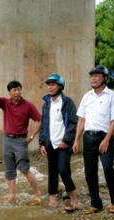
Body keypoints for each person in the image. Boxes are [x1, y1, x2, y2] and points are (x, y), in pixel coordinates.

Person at [73, 65, 114, 214]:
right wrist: (76, 140)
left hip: (104, 137)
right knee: (89, 172)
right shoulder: (87, 96)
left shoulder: (112, 96)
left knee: (108, 168)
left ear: (104, 78)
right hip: (88, 138)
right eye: (91, 76)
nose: (93, 78)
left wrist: (107, 139)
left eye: (97, 76)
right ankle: (96, 203)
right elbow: (82, 120)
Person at [0, 81, 42, 205]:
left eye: (19, 89)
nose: (17, 92)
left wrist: (31, 136)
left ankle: (37, 195)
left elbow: (39, 120)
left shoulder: (28, 105)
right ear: (9, 92)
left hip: (20, 140)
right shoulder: (5, 103)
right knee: (9, 170)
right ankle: (12, 196)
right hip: (7, 140)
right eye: (14, 90)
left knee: (24, 168)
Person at [39, 74, 79, 212]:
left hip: (63, 144)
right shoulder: (46, 104)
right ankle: (52, 199)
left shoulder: (68, 102)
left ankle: (74, 198)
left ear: (60, 86)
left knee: (63, 170)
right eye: (48, 84)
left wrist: (66, 140)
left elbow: (74, 122)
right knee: (52, 172)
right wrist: (42, 143)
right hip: (50, 144)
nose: (50, 87)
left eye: (53, 84)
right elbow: (44, 125)